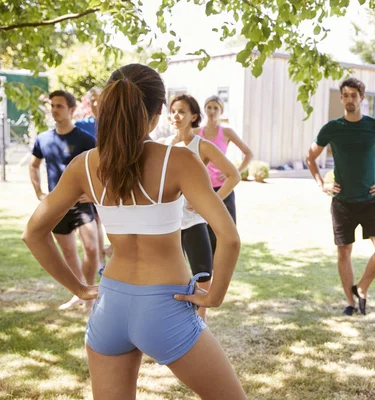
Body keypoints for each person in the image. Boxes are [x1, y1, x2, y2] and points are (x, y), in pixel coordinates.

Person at [22, 64, 246, 399]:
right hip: (166, 305)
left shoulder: (84, 165)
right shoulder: (180, 161)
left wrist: (80, 288)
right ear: (157, 113)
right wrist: (213, 296)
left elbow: (33, 233)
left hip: (110, 305)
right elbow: (229, 238)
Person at [305, 77, 375, 316]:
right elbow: (310, 157)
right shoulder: (332, 128)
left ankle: (362, 287)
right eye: (346, 95)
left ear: (362, 97)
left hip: (370, 200)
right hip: (342, 202)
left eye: (354, 95)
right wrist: (321, 183)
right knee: (344, 252)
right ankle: (350, 302)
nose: (350, 99)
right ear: (341, 99)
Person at [160, 94, 241, 321]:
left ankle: (201, 320)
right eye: (173, 111)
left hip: (194, 220)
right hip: (168, 221)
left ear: (194, 116)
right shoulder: (164, 145)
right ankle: (173, 318)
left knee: (203, 273)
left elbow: (233, 175)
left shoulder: (202, 146)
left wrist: (209, 203)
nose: (176, 115)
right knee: (170, 274)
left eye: (182, 111)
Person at [29, 90, 99, 310]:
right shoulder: (43, 139)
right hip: (56, 206)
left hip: (81, 204)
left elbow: (100, 169)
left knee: (91, 249)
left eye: (59, 106)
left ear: (71, 110)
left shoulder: (85, 139)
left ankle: (89, 291)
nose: (55, 110)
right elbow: (33, 165)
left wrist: (93, 194)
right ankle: (79, 292)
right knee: (68, 252)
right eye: (52, 106)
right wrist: (39, 193)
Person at [196, 95, 253, 254]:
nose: (212, 111)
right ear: (205, 109)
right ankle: (208, 273)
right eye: (209, 107)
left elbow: (248, 153)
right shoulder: (196, 132)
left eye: (216, 108)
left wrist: (234, 172)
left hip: (224, 189)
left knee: (226, 233)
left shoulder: (226, 132)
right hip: (202, 190)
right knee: (204, 233)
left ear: (221, 111)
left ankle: (223, 269)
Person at [75, 88, 109, 270]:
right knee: (94, 221)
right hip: (90, 181)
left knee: (104, 221)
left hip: (110, 181)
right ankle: (98, 263)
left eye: (100, 99)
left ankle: (102, 261)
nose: (97, 103)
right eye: (93, 100)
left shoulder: (114, 124)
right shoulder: (82, 125)